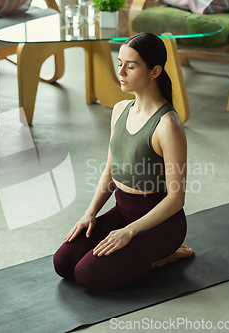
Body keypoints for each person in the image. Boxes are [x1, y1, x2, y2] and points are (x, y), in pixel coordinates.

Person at [53, 32, 194, 290]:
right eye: (119, 64)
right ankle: (137, 250)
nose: (121, 72)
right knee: (63, 263)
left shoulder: (168, 125)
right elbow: (110, 169)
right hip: (123, 211)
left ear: (155, 71)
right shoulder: (119, 110)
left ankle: (163, 257)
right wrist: (90, 213)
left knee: (87, 274)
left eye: (131, 66)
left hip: (160, 224)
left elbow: (176, 199)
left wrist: (129, 231)